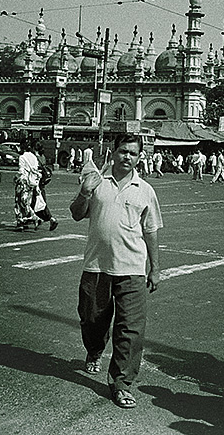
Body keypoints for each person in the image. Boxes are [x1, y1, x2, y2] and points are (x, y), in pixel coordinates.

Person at [70, 133, 163, 410]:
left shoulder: (145, 189)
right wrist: (85, 192)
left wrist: (155, 267)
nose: (127, 157)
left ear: (139, 157)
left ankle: (121, 384)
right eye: (123, 151)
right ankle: (95, 350)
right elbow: (77, 213)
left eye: (133, 153)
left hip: (132, 268)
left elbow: (151, 230)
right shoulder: (97, 182)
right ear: (114, 151)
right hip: (97, 266)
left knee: (131, 329)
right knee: (92, 318)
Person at [15, 140, 45, 231]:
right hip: (32, 183)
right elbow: (36, 171)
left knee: (19, 202)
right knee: (27, 201)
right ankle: (28, 219)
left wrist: (16, 178)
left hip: (23, 182)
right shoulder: (34, 157)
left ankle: (24, 220)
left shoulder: (22, 157)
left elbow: (21, 171)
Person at [34, 141, 58, 231]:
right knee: (40, 201)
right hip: (43, 181)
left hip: (36, 181)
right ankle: (39, 219)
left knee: (38, 202)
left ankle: (50, 218)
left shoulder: (35, 158)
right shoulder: (42, 157)